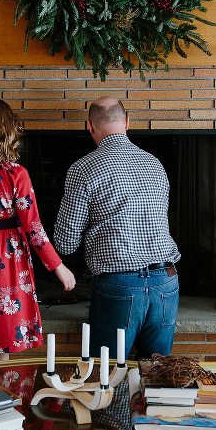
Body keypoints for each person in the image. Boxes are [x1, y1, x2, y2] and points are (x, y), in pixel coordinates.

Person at [53, 96, 181, 360]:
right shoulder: (154, 163)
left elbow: (65, 243)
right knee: (157, 373)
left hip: (119, 286)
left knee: (107, 373)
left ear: (90, 126)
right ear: (127, 122)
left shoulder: (83, 169)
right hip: (166, 282)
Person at [0, 98, 75, 365]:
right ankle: (0, 388)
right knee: (2, 335)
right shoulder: (16, 174)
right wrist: (59, 267)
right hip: (6, 260)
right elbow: (33, 228)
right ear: (6, 131)